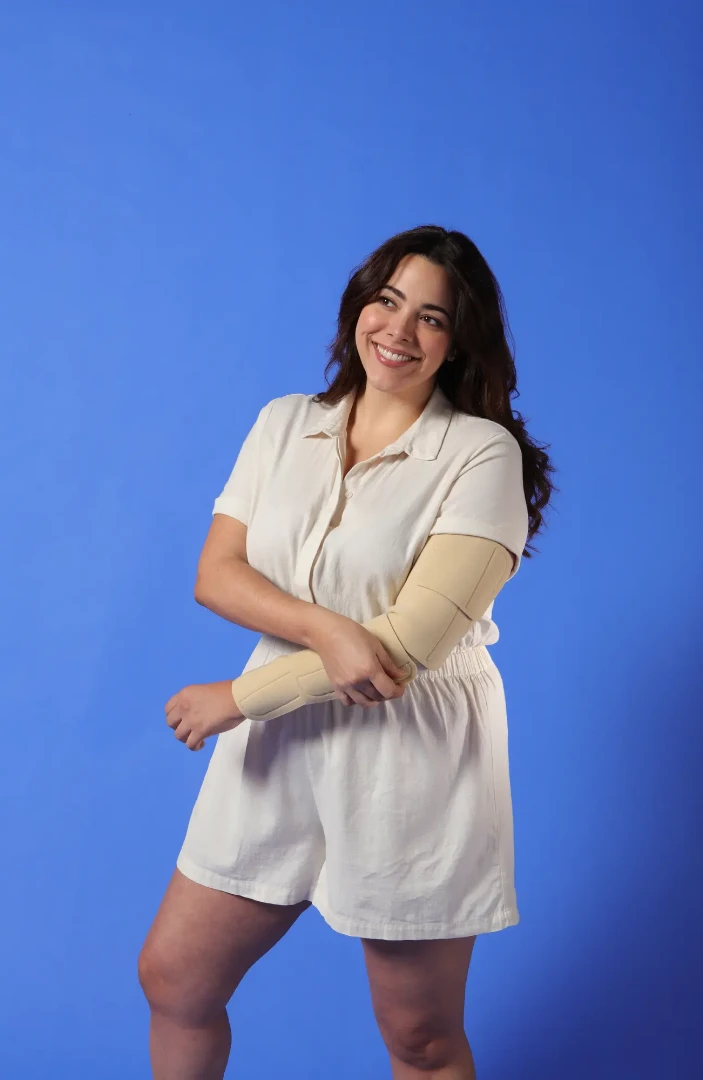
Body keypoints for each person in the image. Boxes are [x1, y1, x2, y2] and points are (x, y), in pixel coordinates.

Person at [138, 224, 555, 1079]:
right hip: (280, 737)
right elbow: (216, 574)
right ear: (358, 305)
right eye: (387, 301)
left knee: (419, 1037)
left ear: (458, 341)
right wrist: (327, 629)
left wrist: (236, 698)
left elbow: (399, 653)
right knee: (175, 980)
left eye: (432, 317)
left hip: (410, 748)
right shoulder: (285, 423)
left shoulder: (483, 457)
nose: (399, 330)